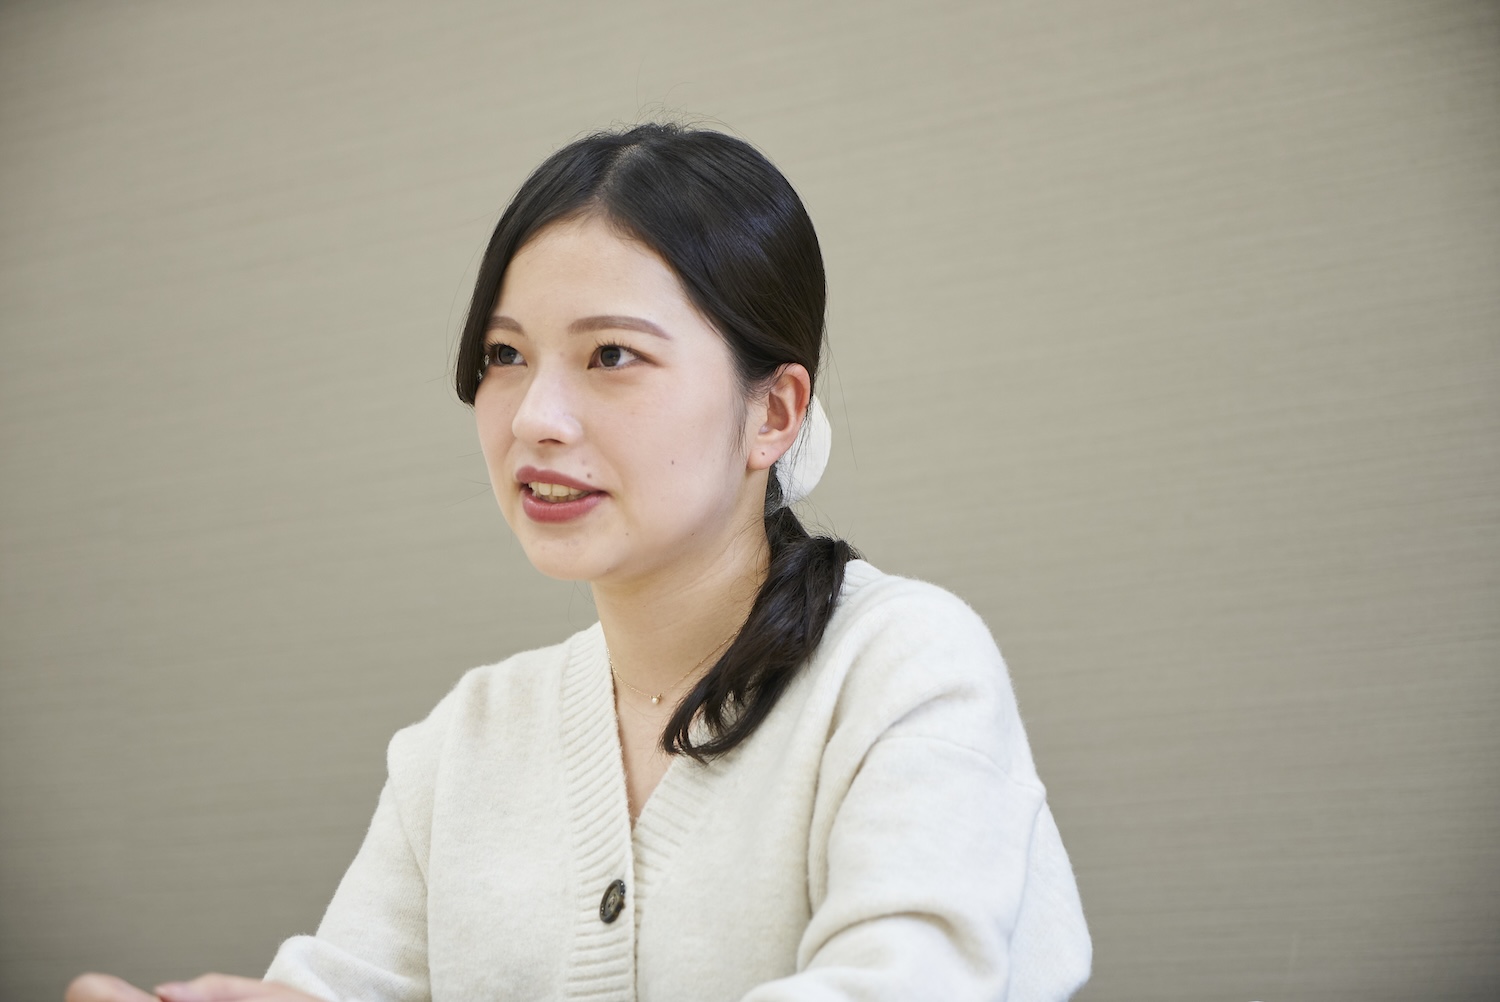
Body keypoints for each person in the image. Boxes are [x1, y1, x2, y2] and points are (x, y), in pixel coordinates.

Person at [67, 123, 1091, 1002]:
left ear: (773, 413)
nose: (535, 419)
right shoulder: (465, 741)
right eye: (505, 356)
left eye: (611, 356)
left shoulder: (904, 667)